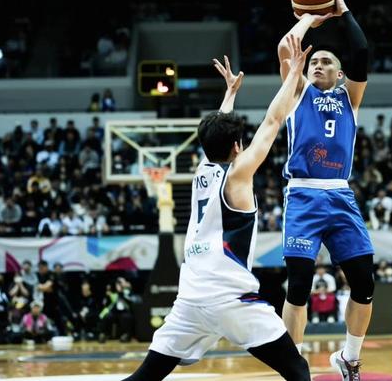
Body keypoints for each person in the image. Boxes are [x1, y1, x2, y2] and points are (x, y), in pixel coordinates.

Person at [122, 36, 312, 381]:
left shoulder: (202, 171)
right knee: (297, 368)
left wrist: (230, 94)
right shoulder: (237, 176)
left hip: (190, 300)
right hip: (230, 299)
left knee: (145, 376)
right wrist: (293, 75)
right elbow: (273, 121)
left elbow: (215, 134)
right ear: (238, 147)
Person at [277, 0, 372, 380]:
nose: (318, 65)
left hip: (340, 195)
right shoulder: (297, 92)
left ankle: (349, 358)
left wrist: (342, 11)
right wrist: (310, 18)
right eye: (314, 61)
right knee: (299, 285)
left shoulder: (350, 97)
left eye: (326, 62)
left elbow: (361, 51)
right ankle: (294, 368)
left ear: (340, 72)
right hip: (303, 195)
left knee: (364, 283)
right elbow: (287, 49)